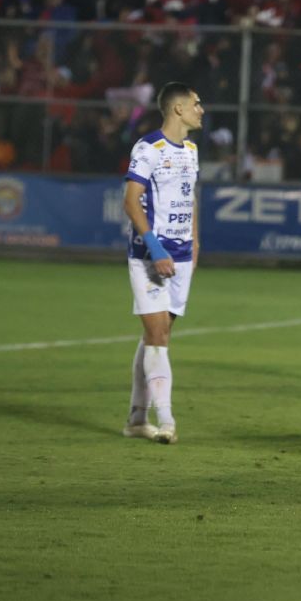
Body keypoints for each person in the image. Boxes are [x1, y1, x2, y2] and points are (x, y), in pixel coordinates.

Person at [121, 82, 203, 445]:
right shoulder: (148, 148)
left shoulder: (191, 149)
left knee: (158, 334)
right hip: (151, 255)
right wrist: (155, 248)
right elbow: (131, 201)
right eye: (197, 104)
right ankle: (166, 419)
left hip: (182, 255)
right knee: (157, 335)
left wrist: (196, 244)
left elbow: (191, 199)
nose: (202, 110)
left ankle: (136, 419)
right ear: (178, 109)